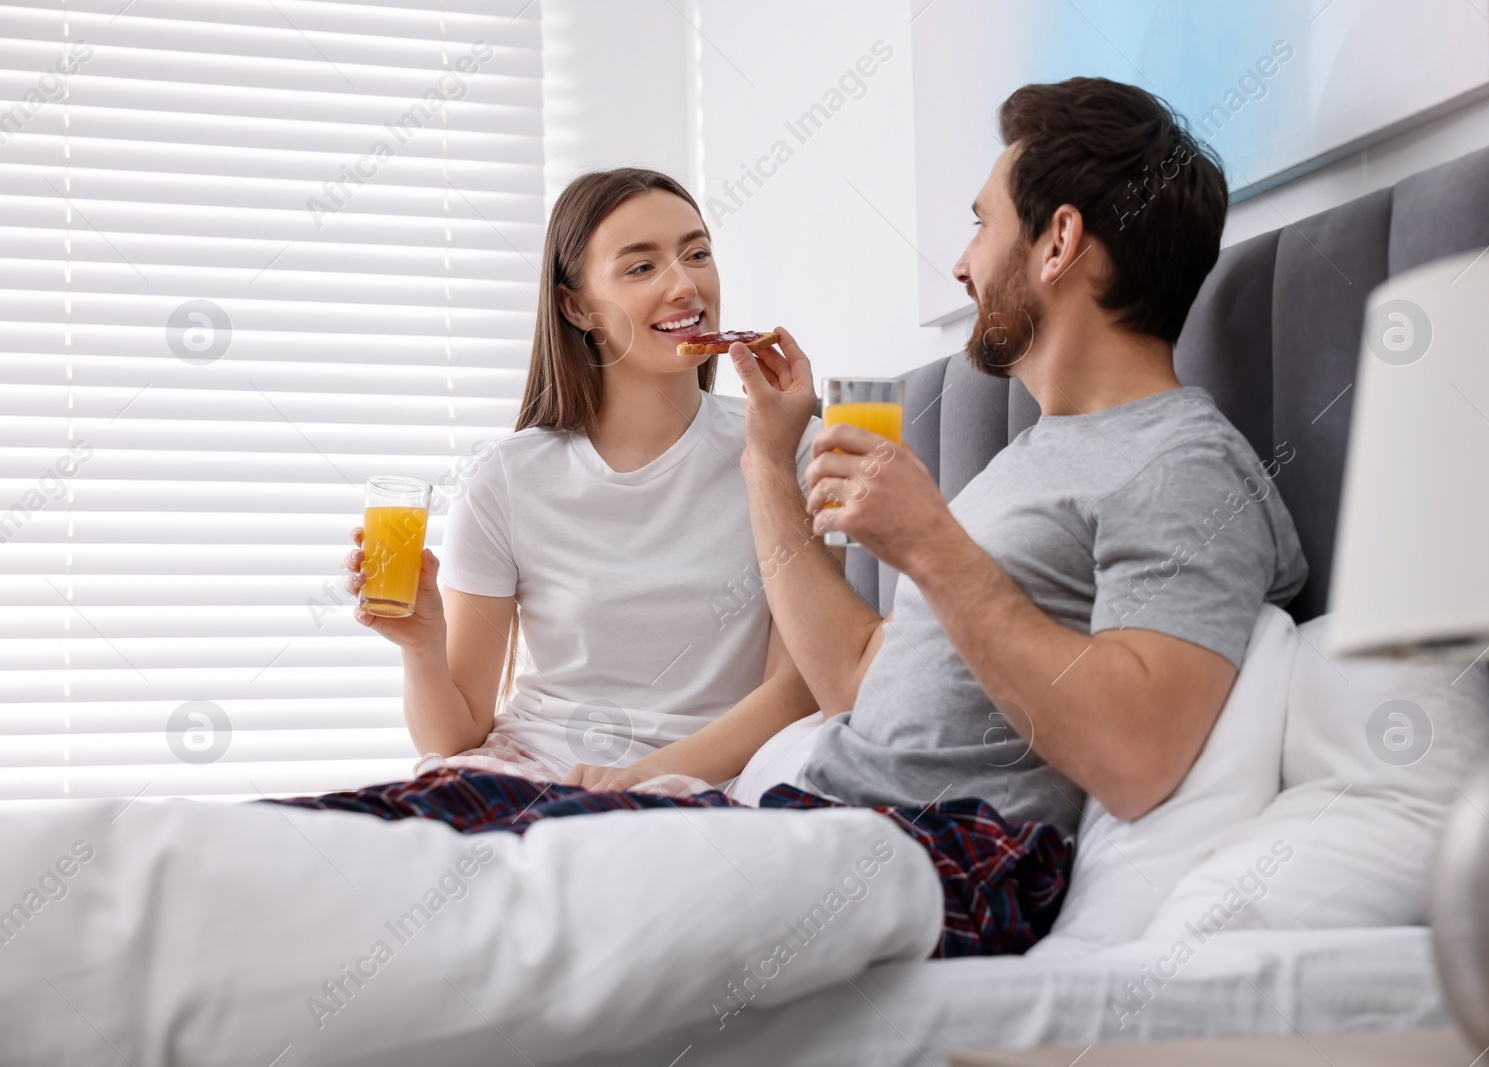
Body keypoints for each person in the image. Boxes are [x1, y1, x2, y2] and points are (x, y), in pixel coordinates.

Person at [727, 77, 1309, 835]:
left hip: (934, 853)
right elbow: (856, 679)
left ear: (1059, 243)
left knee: (533, 859)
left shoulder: (1182, 465)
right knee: (529, 825)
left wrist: (931, 544)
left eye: (980, 224)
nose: (962, 266)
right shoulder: (1034, 457)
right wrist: (767, 463)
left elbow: (1137, 752)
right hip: (819, 814)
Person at [342, 167, 821, 791]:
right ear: (577, 307)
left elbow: (801, 686)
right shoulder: (506, 478)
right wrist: (422, 645)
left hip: (710, 779)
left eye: (697, 253)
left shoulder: (788, 444)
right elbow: (454, 739)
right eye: (641, 267)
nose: (685, 285)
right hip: (530, 766)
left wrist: (639, 777)